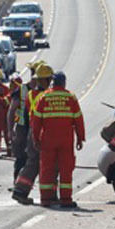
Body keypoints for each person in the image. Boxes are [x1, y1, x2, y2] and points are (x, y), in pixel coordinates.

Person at [31, 71, 85, 208]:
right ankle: (66, 200)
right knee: (66, 170)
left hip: (48, 139)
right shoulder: (70, 97)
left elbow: (36, 121)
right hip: (66, 140)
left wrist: (35, 139)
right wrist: (80, 138)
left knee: (47, 169)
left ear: (52, 82)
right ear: (64, 82)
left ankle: (46, 199)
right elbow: (78, 119)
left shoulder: (44, 97)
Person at [11, 62, 53, 205]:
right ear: (46, 80)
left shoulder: (30, 93)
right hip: (39, 132)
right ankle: (47, 195)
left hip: (31, 131)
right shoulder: (44, 96)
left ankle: (20, 191)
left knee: (32, 163)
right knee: (41, 163)